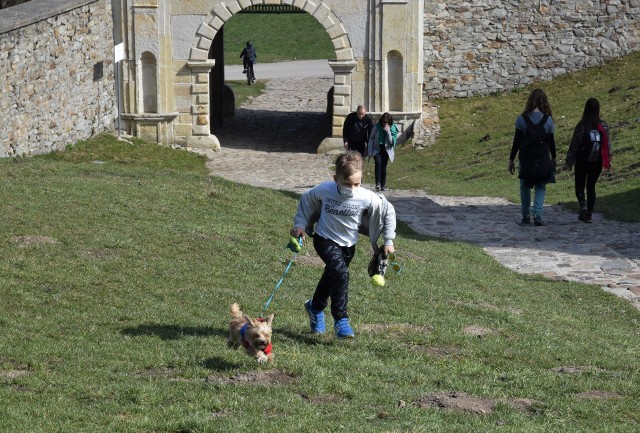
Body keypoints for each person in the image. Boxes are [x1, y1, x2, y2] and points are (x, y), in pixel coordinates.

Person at [290, 151, 396, 338]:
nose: (352, 189)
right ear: (335, 178)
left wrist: (388, 240)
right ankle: (341, 320)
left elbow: (388, 211)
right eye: (347, 184)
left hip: (349, 245)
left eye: (357, 183)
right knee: (340, 273)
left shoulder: (365, 197)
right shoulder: (325, 190)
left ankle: (315, 307)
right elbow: (307, 200)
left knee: (332, 276)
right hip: (324, 239)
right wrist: (300, 225)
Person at [508, 88, 557, 226]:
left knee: (524, 185)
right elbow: (551, 142)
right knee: (541, 186)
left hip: (526, 158)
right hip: (542, 158)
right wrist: (554, 157)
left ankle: (525, 216)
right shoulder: (548, 121)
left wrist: (511, 159)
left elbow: (516, 142)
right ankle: (538, 214)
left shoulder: (522, 120)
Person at [565, 97, 612, 223]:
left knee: (580, 185)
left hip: (582, 161)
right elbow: (607, 144)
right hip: (597, 161)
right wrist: (608, 158)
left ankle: (583, 207)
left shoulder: (582, 125)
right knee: (591, 186)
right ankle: (589, 213)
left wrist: (569, 160)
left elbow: (575, 144)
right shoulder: (603, 126)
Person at [367, 112, 398, 191]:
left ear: (390, 122)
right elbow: (371, 138)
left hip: (386, 149)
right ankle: (378, 183)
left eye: (387, 122)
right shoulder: (376, 127)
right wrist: (370, 151)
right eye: (384, 122)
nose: (385, 124)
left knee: (383, 166)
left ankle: (383, 185)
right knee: (378, 163)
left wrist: (388, 132)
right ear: (381, 121)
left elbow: (391, 142)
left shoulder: (393, 128)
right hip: (377, 149)